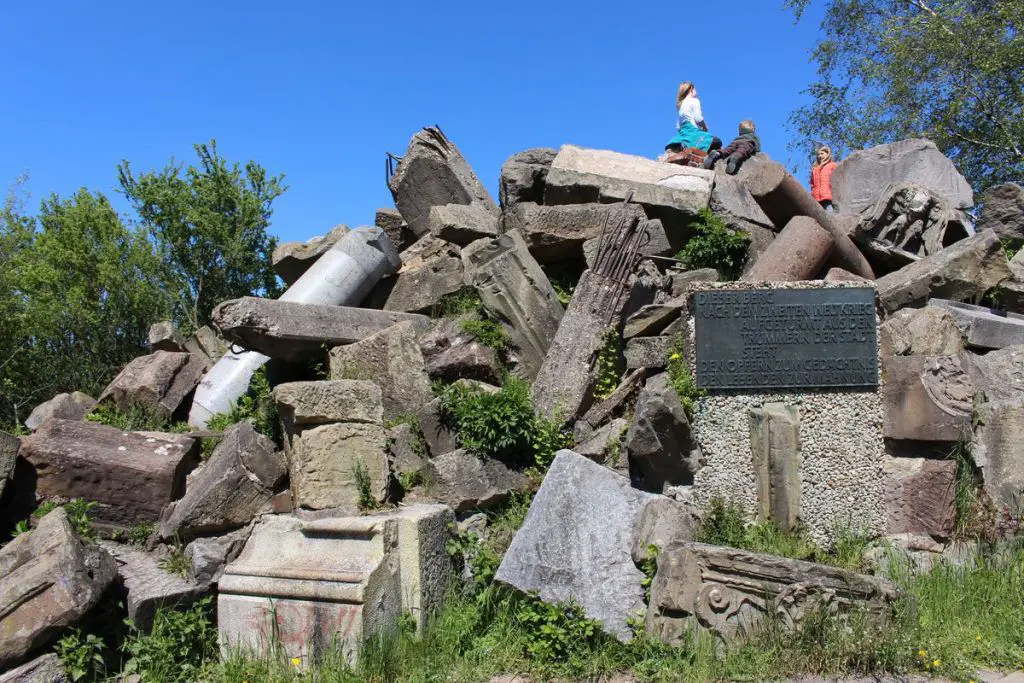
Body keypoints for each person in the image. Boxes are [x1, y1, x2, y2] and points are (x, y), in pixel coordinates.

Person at [665, 82, 721, 154]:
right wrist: (705, 126)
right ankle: (697, 150)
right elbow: (698, 118)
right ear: (691, 89)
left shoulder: (681, 105)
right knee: (717, 141)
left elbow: (678, 127)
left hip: (683, 133)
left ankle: (684, 146)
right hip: (693, 132)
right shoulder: (695, 100)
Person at [810, 145, 837, 212]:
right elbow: (812, 184)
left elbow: (837, 180)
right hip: (816, 198)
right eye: (818, 154)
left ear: (827, 154)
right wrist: (813, 193)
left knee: (830, 213)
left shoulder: (833, 165)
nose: (820, 156)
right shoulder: (815, 169)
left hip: (828, 196)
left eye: (822, 154)